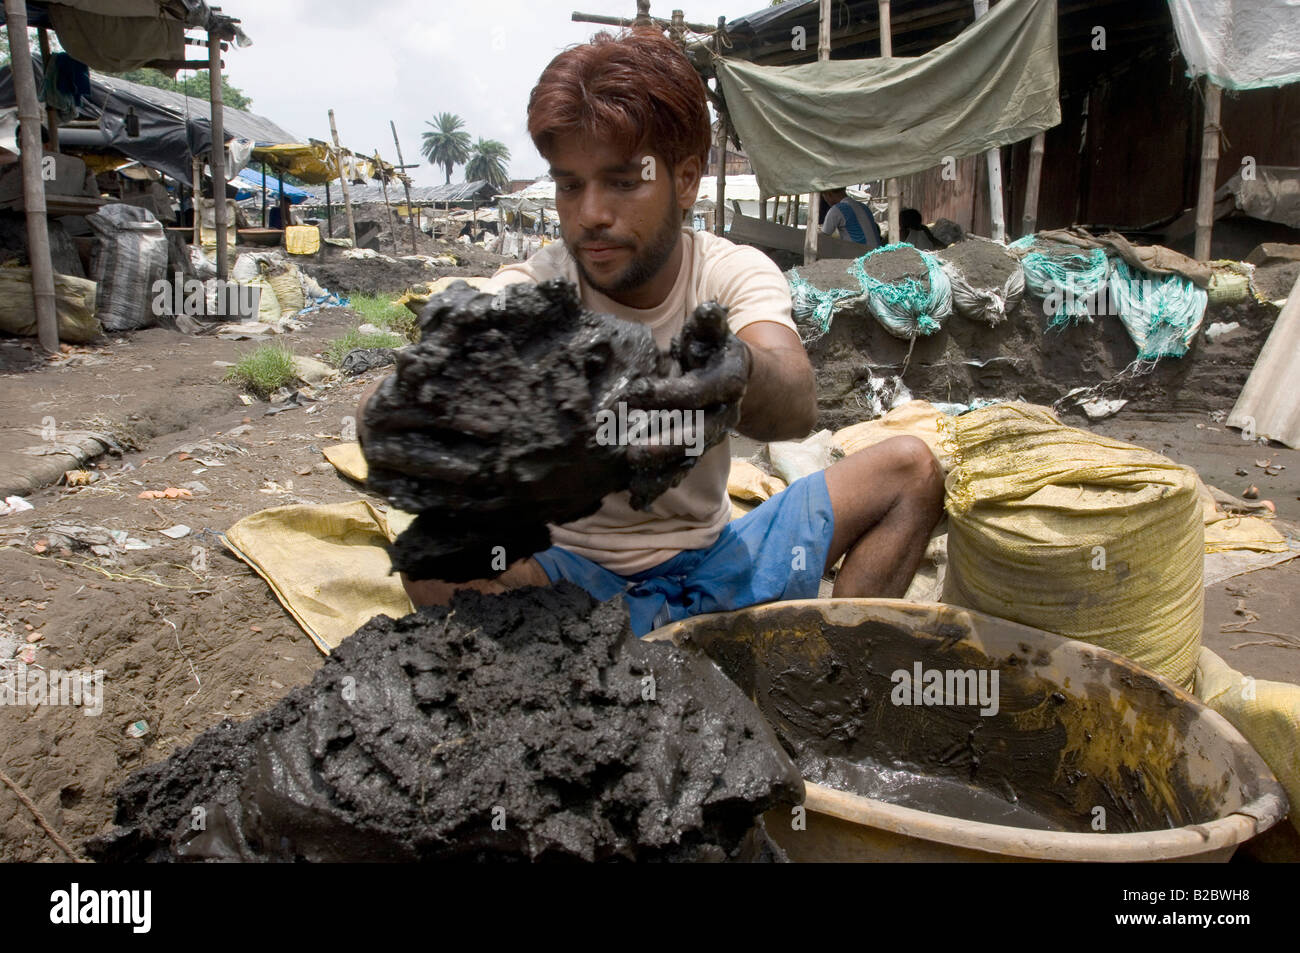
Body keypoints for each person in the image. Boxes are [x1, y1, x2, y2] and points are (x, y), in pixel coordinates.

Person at [358, 29, 944, 636]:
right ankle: (584, 683)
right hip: (569, 582)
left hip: (719, 567)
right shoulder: (540, 285)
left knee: (912, 469)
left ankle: (835, 667)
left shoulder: (728, 271)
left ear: (685, 180)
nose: (590, 214)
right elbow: (430, 381)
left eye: (621, 181)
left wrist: (727, 372)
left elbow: (795, 404)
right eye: (569, 184)